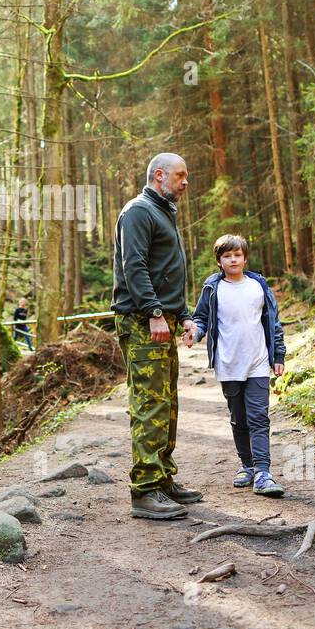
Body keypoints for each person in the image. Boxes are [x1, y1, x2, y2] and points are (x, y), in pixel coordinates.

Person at [111, 152, 203, 520]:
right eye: (180, 176)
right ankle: (145, 490)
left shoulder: (163, 211)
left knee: (166, 403)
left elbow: (165, 270)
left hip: (161, 318)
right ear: (159, 175)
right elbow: (133, 265)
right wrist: (152, 311)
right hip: (140, 319)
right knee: (149, 404)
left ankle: (163, 479)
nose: (185, 182)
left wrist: (181, 314)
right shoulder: (137, 212)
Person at [191, 233, 286, 497]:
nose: (233, 259)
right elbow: (201, 319)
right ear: (219, 261)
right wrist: (195, 333)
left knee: (258, 416)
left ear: (245, 258)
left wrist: (278, 355)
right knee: (239, 418)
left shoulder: (258, 285)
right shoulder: (213, 288)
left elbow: (273, 322)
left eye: (237, 255)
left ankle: (264, 473)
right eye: (227, 256)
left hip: (257, 361)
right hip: (228, 363)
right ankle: (247, 465)